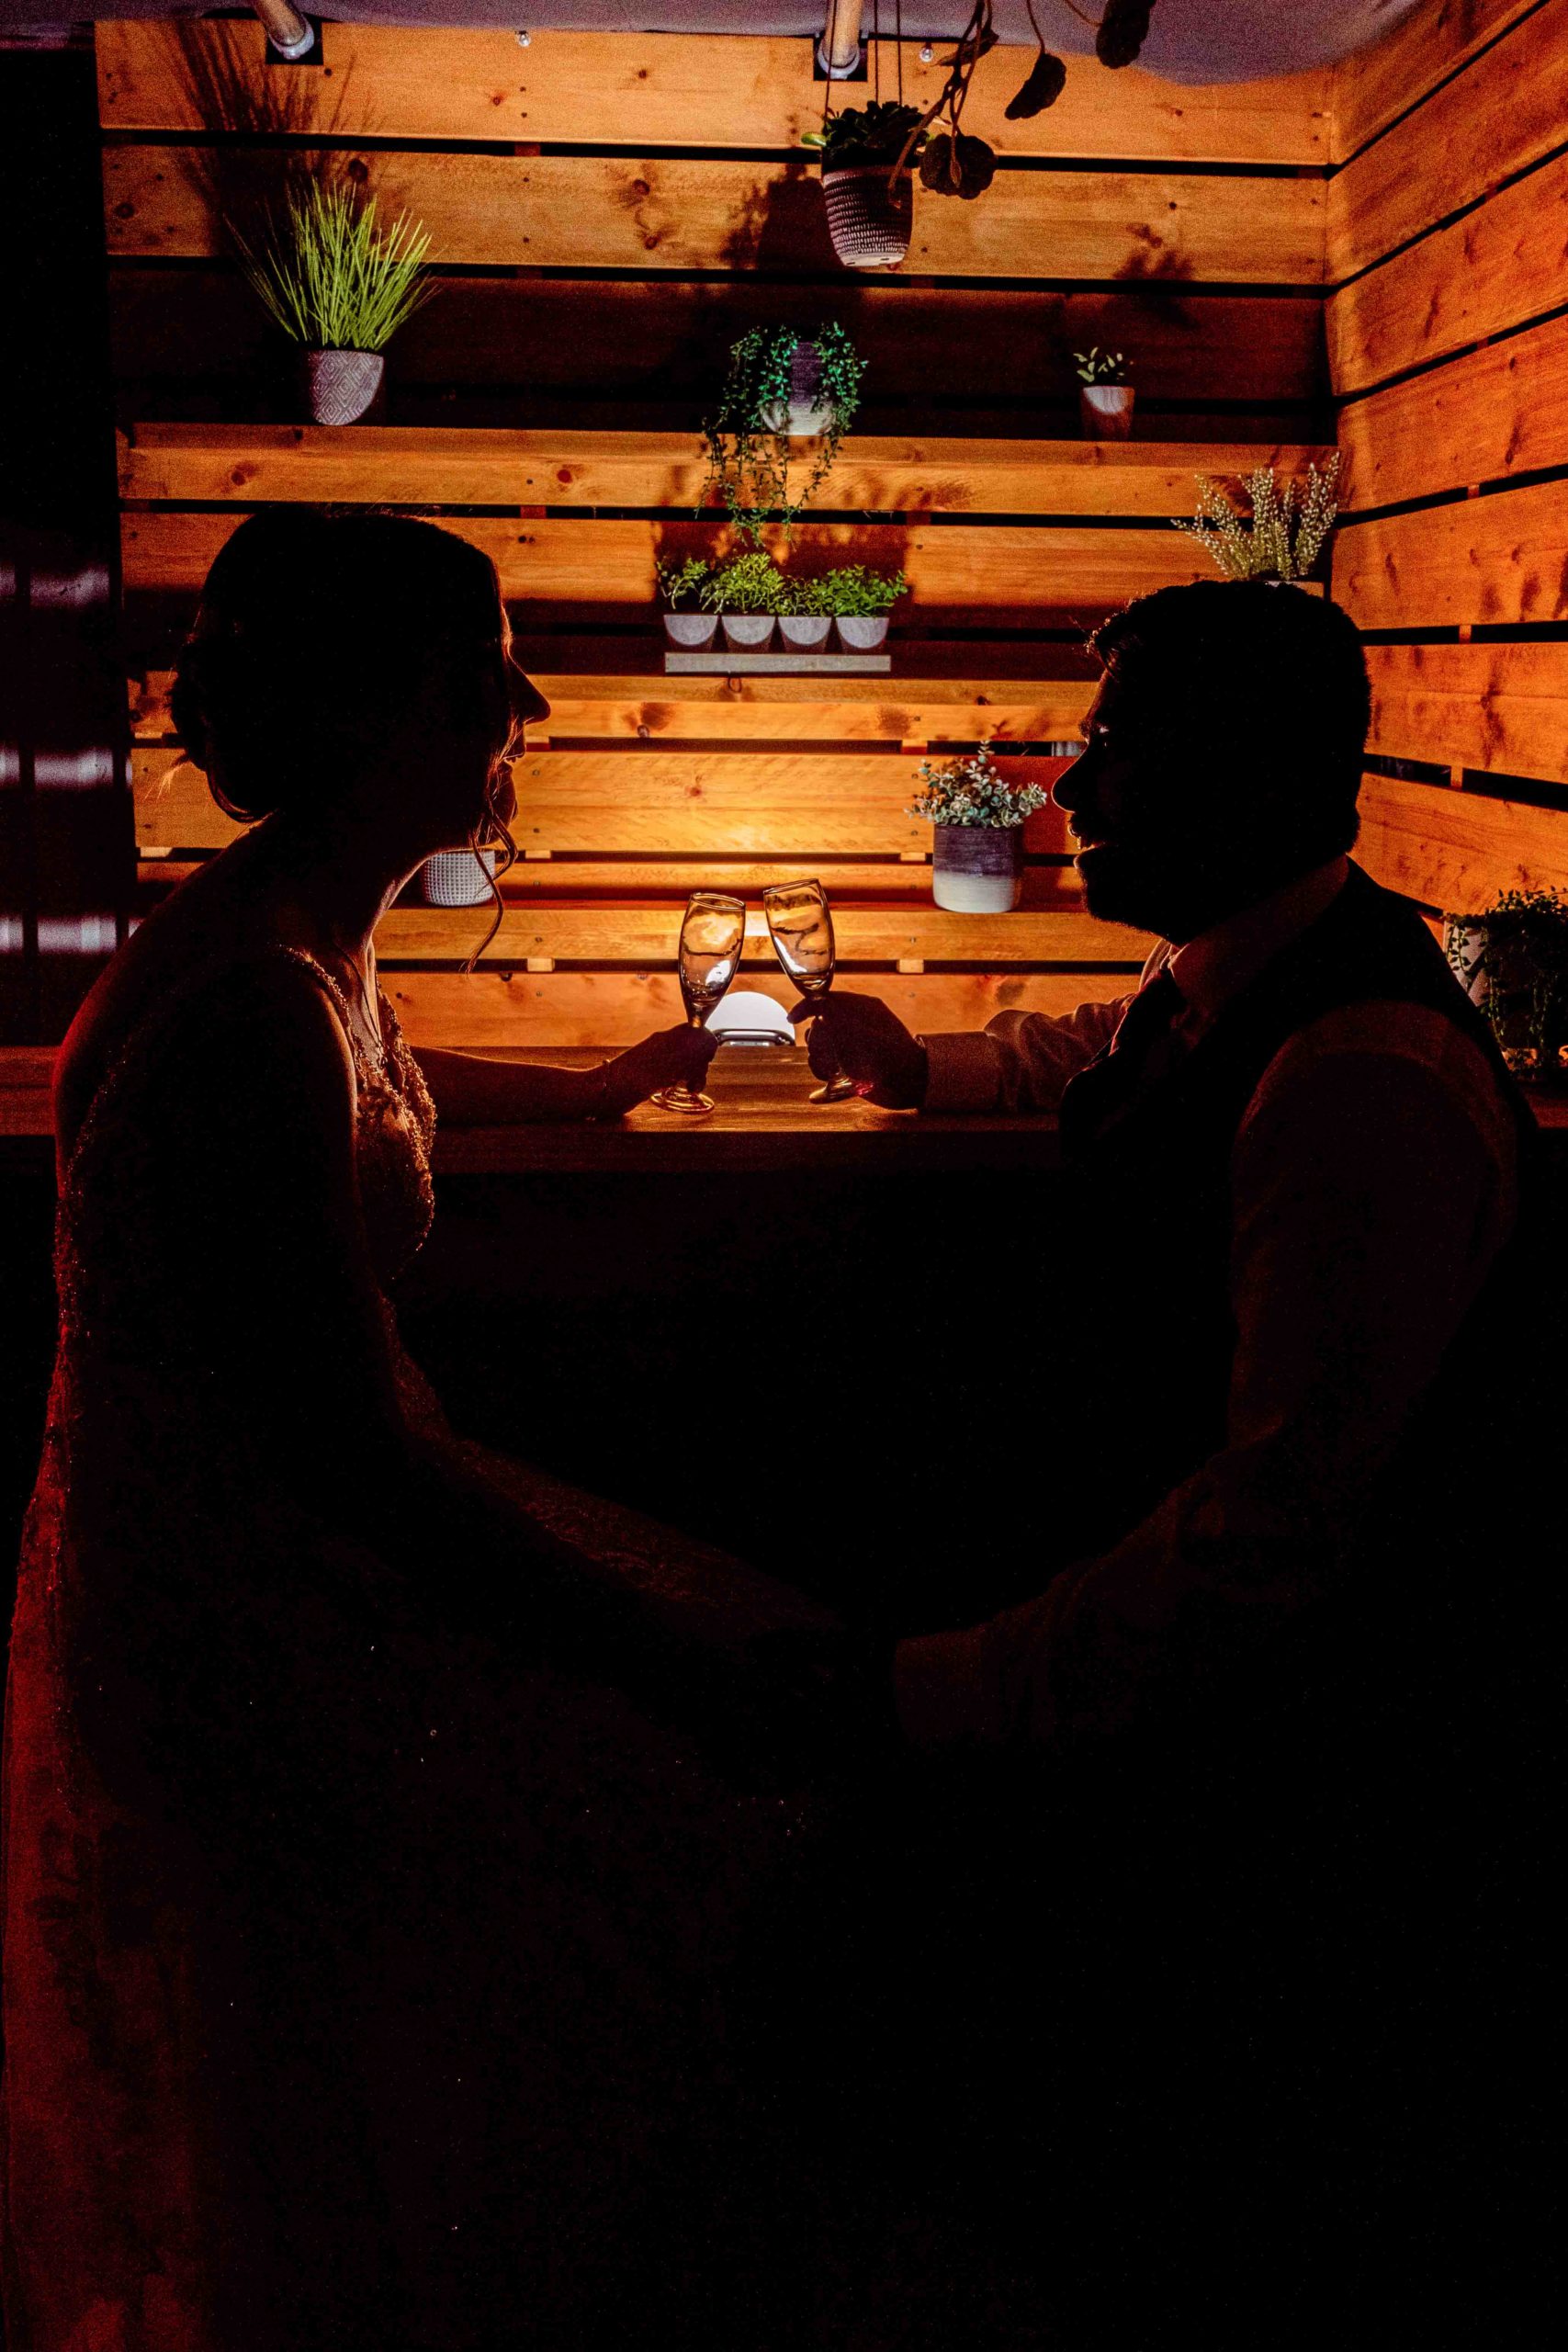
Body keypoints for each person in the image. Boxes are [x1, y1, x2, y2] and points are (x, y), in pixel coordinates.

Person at [1, 510, 846, 2351]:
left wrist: (607, 1078)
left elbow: (382, 1059)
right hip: (253, 1608)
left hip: (267, 1543)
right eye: (487, 674)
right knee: (692, 1804)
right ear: (387, 710)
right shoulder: (246, 1006)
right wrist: (660, 1645)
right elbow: (351, 1459)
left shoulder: (288, 935)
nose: (524, 707)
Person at [790, 580, 1561, 2331]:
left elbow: (1272, 1544)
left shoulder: (1362, 1072)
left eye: (1119, 745)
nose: (1073, 789)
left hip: (1295, 1819)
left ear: (1257, 772)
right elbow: (1122, 1058)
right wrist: (943, 1069)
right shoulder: (1249, 982)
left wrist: (939, 1692)